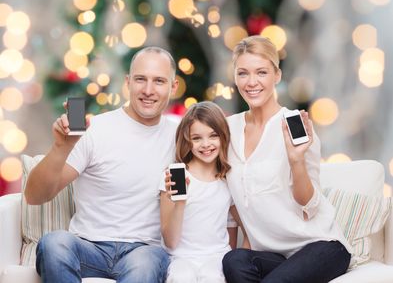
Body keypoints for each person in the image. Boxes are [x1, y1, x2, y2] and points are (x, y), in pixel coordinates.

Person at [24, 47, 179, 283]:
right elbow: (34, 195)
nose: (148, 90)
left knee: (146, 264)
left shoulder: (182, 137)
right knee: (53, 243)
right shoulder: (97, 130)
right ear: (128, 82)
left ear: (173, 86)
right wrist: (61, 147)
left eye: (159, 81)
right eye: (140, 79)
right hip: (88, 247)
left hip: (143, 251)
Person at [222, 35, 352, 283]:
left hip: (320, 246)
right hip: (274, 256)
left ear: (277, 76)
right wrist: (248, 237)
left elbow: (309, 207)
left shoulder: (294, 125)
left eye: (261, 72)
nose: (251, 82)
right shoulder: (228, 129)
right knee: (234, 260)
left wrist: (296, 160)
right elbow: (231, 198)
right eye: (243, 73)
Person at [160, 101, 249, 283]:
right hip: (180, 258)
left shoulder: (227, 179)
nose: (206, 144)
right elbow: (170, 242)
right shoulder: (173, 177)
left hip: (216, 257)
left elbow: (240, 226)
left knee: (212, 278)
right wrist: (180, 202)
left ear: (223, 137)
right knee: (181, 277)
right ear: (187, 140)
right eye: (197, 138)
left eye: (213, 135)